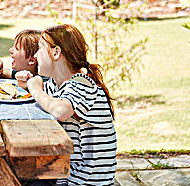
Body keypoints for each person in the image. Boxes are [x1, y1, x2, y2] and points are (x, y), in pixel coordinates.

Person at [17, 24, 116, 186]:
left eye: (39, 49)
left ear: (56, 53)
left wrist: (34, 88)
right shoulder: (57, 86)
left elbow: (61, 110)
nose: (35, 56)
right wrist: (27, 85)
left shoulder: (83, 84)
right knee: (19, 174)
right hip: (66, 176)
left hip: (85, 182)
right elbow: (44, 98)